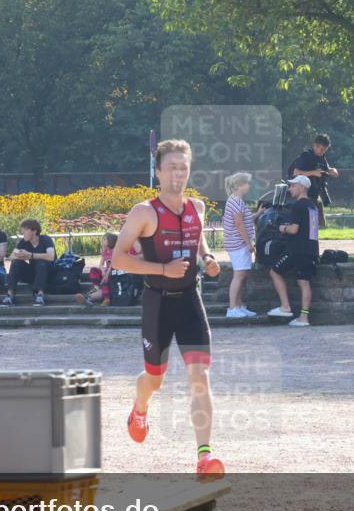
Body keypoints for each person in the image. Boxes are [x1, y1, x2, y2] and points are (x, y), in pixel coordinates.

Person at [110, 139, 224, 479]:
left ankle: (204, 456)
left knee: (200, 377)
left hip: (190, 299)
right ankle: (140, 408)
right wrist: (162, 270)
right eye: (172, 167)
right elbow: (117, 258)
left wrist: (208, 259)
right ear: (158, 172)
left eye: (184, 167)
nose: (178, 173)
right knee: (154, 379)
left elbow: (198, 240)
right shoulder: (144, 212)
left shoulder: (198, 208)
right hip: (157, 302)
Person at [266, 175, 319, 327]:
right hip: (311, 250)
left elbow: (294, 229)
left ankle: (285, 307)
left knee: (274, 272)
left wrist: (283, 228)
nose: (290, 189)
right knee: (304, 282)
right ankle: (304, 318)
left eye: (293, 186)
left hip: (296, 250)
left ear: (302, 187)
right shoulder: (313, 206)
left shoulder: (298, 205)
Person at [222, 172, 257, 318]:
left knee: (242, 275)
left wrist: (258, 213)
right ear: (239, 185)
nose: (249, 186)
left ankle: (239, 305)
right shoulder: (236, 201)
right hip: (238, 244)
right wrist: (249, 243)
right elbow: (239, 224)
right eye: (247, 183)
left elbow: (245, 219)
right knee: (239, 275)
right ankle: (232, 308)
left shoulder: (237, 201)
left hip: (238, 244)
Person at [1, 218, 56, 307]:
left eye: (26, 230)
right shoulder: (24, 242)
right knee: (16, 262)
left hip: (48, 274)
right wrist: (21, 255)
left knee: (41, 263)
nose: (23, 233)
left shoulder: (46, 239)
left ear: (34, 231)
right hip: (33, 275)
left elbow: (51, 256)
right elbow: (11, 257)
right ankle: (10, 295)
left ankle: (40, 294)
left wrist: (30, 255)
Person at [288, 133, 338, 228]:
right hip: (304, 196)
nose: (322, 152)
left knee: (315, 226)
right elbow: (296, 172)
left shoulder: (322, 158)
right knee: (305, 225)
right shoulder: (306, 156)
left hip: (314, 195)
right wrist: (313, 172)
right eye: (321, 149)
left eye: (324, 150)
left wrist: (332, 170)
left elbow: (327, 168)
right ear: (314, 145)